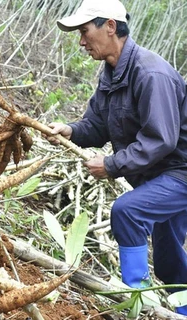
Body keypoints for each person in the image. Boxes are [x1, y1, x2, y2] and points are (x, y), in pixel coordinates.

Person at [50, 0, 187, 315]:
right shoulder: (110, 75)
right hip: (156, 176)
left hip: (179, 173)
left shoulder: (151, 74)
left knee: (127, 211)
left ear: (110, 26)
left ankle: (135, 301)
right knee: (168, 258)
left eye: (85, 31)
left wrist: (111, 165)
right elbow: (98, 126)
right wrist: (70, 130)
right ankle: (184, 310)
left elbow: (161, 139)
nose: (81, 41)